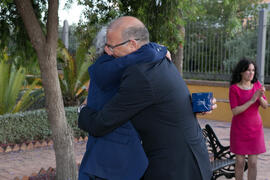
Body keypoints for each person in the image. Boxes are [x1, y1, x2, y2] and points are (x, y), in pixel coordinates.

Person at [78, 16, 215, 180]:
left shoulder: (140, 74)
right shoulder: (160, 61)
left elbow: (101, 123)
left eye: (111, 46)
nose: (107, 51)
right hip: (190, 159)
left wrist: (83, 109)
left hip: (177, 168)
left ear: (132, 44)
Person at [79, 25, 169, 180]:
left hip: (104, 158)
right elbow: (146, 54)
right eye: (130, 43)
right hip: (113, 161)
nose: (136, 48)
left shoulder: (108, 68)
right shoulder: (108, 67)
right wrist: (161, 49)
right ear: (108, 49)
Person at [229, 58, 268, 180]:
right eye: (248, 70)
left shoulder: (257, 85)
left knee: (253, 163)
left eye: (253, 70)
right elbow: (235, 111)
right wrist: (252, 99)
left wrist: (260, 96)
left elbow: (265, 106)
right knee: (240, 163)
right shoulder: (234, 89)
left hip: (255, 129)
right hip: (239, 129)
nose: (251, 73)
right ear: (241, 72)